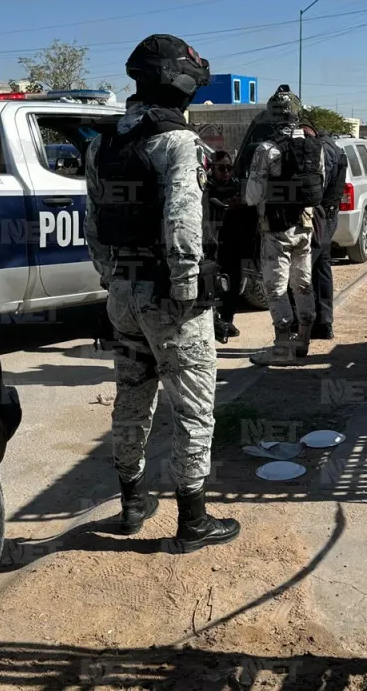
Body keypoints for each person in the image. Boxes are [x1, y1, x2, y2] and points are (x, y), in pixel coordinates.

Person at [85, 33, 240, 553]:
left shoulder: (101, 143)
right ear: (180, 84)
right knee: (193, 408)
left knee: (132, 400)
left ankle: (131, 502)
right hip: (168, 299)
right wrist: (185, 288)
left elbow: (95, 227)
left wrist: (112, 280)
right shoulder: (177, 143)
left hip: (123, 297)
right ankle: (193, 521)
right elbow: (182, 225)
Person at [244, 85, 324, 365]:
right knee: (303, 284)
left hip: (276, 229)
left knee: (275, 288)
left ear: (271, 115)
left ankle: (281, 349)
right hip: (306, 225)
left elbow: (253, 197)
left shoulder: (267, 149)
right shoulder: (316, 147)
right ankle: (303, 342)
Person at [303, 121, 347, 340]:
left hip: (319, 217)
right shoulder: (334, 147)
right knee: (321, 269)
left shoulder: (322, 149)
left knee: (303, 271)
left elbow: (317, 186)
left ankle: (304, 325)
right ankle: (324, 323)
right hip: (328, 216)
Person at [204, 150, 247, 342]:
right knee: (212, 284)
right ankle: (213, 322)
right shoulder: (206, 188)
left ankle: (227, 320)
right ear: (212, 169)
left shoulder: (237, 186)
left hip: (234, 242)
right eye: (222, 168)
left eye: (229, 168)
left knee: (234, 284)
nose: (226, 172)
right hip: (212, 243)